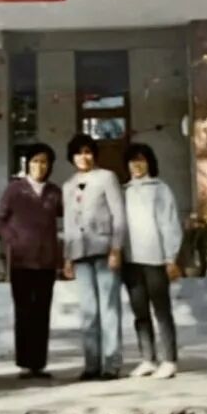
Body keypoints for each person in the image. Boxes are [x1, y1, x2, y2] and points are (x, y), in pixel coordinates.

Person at [0, 143, 63, 379]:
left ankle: (38, 364)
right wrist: (13, 239)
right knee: (24, 313)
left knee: (42, 312)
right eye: (35, 161)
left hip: (46, 262)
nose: (39, 166)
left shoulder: (54, 192)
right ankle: (24, 363)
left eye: (44, 162)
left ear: (49, 166)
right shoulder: (15, 190)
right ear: (27, 164)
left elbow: (70, 214)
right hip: (21, 262)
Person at [61, 133, 126, 381]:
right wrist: (68, 257)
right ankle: (91, 363)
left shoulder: (107, 177)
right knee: (88, 310)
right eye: (78, 153)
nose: (83, 157)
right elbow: (69, 223)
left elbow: (118, 215)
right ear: (72, 157)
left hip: (104, 249)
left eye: (87, 152)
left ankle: (111, 363)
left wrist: (116, 248)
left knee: (109, 308)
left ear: (94, 154)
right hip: (80, 253)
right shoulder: (68, 185)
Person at [122, 142, 183, 380]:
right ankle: (147, 359)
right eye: (132, 160)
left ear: (149, 163)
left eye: (141, 160)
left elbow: (170, 224)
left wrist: (170, 257)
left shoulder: (160, 189)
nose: (137, 165)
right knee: (140, 313)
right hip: (131, 260)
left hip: (155, 259)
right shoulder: (124, 191)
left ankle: (169, 360)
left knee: (162, 311)